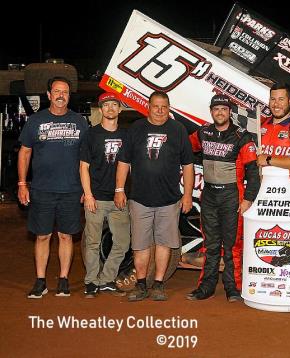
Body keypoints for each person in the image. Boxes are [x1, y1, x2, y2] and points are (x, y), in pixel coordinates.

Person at [115, 91, 194, 302]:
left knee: (164, 242)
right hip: (139, 198)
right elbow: (124, 161)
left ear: (169, 108)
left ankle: (159, 284)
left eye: (164, 107)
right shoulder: (136, 129)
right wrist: (119, 189)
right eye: (156, 106)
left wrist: (187, 195)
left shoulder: (178, 130)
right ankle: (141, 285)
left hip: (169, 200)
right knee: (140, 244)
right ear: (148, 107)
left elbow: (187, 165)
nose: (160, 111)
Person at [18, 76, 88, 298]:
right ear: (49, 95)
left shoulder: (80, 122)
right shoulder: (35, 121)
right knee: (42, 236)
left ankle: (63, 279)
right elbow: (25, 153)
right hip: (42, 189)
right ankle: (41, 281)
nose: (61, 95)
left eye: (65, 92)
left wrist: (86, 191)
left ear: (69, 96)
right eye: (57, 91)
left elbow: (86, 159)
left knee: (66, 236)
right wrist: (22, 184)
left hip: (71, 189)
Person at [186, 94, 260, 302]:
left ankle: (233, 288)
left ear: (230, 112)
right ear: (211, 111)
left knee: (231, 246)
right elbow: (185, 149)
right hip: (209, 195)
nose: (220, 112)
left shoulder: (242, 136)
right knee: (210, 244)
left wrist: (248, 199)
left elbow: (253, 172)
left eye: (224, 109)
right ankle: (206, 287)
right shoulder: (203, 132)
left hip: (232, 197)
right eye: (216, 109)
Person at [80, 92, 130, 298]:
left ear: (120, 109)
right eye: (106, 105)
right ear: (100, 110)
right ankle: (91, 281)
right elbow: (84, 167)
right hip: (96, 198)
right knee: (92, 242)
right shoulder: (91, 135)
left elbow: (130, 166)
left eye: (114, 105)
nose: (110, 108)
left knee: (123, 242)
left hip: (119, 199)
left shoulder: (127, 135)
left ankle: (107, 279)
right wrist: (88, 195)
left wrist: (125, 191)